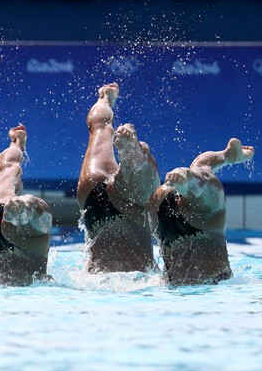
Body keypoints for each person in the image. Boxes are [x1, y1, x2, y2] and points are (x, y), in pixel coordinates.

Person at [77, 83, 160, 273]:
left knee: (99, 130)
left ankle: (104, 99)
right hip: (118, 208)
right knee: (100, 130)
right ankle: (136, 157)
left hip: (97, 208)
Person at [148, 139, 254, 285]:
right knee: (200, 170)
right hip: (211, 282)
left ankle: (225, 157)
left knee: (200, 170)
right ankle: (192, 175)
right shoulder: (212, 213)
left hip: (158, 200)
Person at [0, 125, 52, 285]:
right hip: (23, 248)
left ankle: (17, 144)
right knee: (9, 168)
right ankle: (26, 206)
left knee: (10, 168)